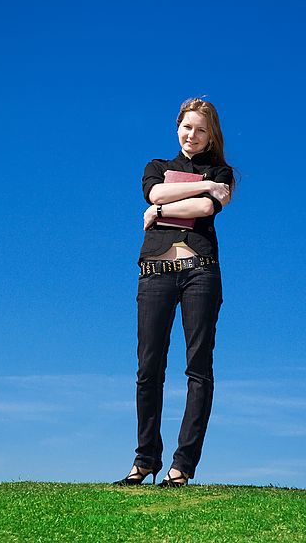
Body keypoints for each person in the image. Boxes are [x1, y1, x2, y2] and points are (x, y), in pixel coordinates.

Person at [114, 97, 235, 487]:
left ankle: (183, 466)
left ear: (211, 134)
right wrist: (181, 196)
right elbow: (155, 194)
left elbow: (202, 208)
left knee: (198, 369)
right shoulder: (157, 168)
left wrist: (162, 210)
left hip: (200, 272)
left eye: (201, 130)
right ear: (177, 127)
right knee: (148, 369)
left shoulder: (223, 172)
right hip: (155, 273)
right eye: (187, 127)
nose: (192, 135)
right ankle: (145, 459)